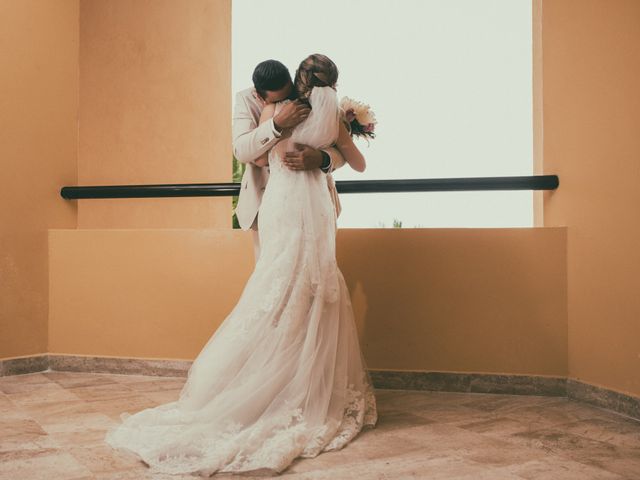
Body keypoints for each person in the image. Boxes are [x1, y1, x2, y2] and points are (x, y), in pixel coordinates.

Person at [104, 53, 378, 476]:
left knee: (306, 295)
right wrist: (279, 125)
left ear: (298, 83)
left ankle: (300, 389)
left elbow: (340, 159)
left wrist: (320, 158)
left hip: (310, 208)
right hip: (277, 210)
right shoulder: (265, 107)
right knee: (276, 296)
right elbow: (245, 150)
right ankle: (265, 389)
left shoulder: (305, 108)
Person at [232, 59, 348, 263]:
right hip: (267, 202)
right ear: (259, 97)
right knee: (271, 275)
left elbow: (340, 150)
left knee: (316, 270)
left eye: (288, 95)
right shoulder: (245, 100)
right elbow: (241, 151)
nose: (286, 102)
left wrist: (322, 158)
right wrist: (276, 124)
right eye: (276, 101)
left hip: (315, 203)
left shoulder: (307, 92)